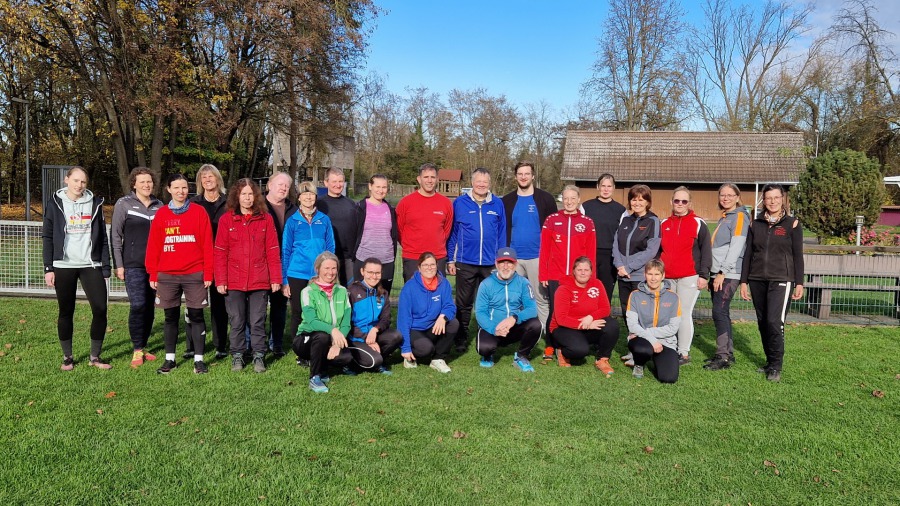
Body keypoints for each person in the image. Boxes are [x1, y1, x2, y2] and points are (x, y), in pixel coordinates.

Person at [42, 166, 112, 371]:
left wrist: (105, 266)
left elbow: (103, 237)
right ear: (66, 180)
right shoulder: (54, 203)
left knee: (100, 309)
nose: (79, 185)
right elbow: (47, 236)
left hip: (91, 264)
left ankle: (95, 357)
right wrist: (48, 268)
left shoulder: (95, 203)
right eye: (76, 180)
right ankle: (68, 357)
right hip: (63, 265)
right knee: (66, 311)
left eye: (83, 182)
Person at [145, 174, 214, 374]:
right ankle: (170, 359)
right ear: (169, 189)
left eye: (184, 187)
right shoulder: (162, 214)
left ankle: (199, 360)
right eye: (176, 188)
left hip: (195, 273)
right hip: (167, 275)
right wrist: (153, 273)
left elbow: (207, 244)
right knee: (170, 316)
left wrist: (208, 272)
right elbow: (154, 246)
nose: (181, 191)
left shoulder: (199, 212)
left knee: (196, 315)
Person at [214, 179, 282, 373]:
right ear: (236, 196)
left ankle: (258, 355)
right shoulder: (226, 220)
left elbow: (272, 250)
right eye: (243, 194)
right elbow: (220, 252)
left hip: (259, 279)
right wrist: (221, 280)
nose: (247, 198)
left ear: (256, 196)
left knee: (257, 320)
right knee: (236, 320)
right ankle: (238, 355)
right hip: (234, 279)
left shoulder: (265, 219)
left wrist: (275, 278)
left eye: (250, 194)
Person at [740, 183, 804, 383]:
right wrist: (744, 281)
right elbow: (748, 253)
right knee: (763, 322)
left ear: (782, 199)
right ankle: (769, 361)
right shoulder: (755, 224)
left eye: (776, 197)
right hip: (757, 279)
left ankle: (776, 365)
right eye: (769, 198)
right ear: (764, 200)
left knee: (774, 322)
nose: (772, 201)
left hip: (782, 279)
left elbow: (798, 255)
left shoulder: (792, 224)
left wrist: (799, 283)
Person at [446, 167, 507, 353]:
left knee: (489, 303)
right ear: (472, 183)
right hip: (465, 262)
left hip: (490, 263)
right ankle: (461, 338)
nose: (481, 185)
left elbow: (502, 233)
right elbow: (453, 233)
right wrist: (450, 260)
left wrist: (501, 259)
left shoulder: (497, 203)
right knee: (464, 304)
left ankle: (486, 335)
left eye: (485, 182)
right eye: (478, 181)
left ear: (489, 184)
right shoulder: (460, 203)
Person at [111, 167, 163, 368]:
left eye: (149, 181)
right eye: (142, 182)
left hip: (156, 266)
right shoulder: (124, 204)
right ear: (134, 184)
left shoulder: (160, 205)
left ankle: (144, 345)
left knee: (150, 306)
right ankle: (137, 348)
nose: (146, 185)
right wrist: (119, 264)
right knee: (138, 305)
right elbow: (116, 236)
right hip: (133, 265)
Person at [539, 185, 596, 359]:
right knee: (554, 312)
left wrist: (591, 277)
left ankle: (567, 345)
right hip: (555, 275)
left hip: (578, 277)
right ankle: (550, 346)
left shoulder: (587, 222)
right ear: (561, 199)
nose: (569, 202)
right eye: (566, 198)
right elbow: (544, 249)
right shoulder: (551, 220)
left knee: (573, 311)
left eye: (573, 198)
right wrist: (543, 274)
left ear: (579, 200)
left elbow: (591, 252)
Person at [501, 161, 556, 332]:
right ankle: (516, 332)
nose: (523, 177)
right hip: (514, 259)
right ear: (515, 176)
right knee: (514, 298)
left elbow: (554, 229)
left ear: (533, 176)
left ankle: (546, 333)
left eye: (527, 174)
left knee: (541, 298)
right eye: (520, 174)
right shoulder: (507, 201)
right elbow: (503, 228)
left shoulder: (546, 199)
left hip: (537, 257)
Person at [659, 186, 711, 365]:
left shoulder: (698, 223)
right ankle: (668, 347)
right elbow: (657, 250)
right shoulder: (664, 223)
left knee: (683, 313)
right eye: (677, 200)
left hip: (689, 276)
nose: (680, 204)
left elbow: (706, 250)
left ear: (690, 203)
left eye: (684, 201)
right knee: (668, 313)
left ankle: (683, 352)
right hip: (667, 277)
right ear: (671, 202)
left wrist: (704, 275)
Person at [282, 181, 335, 343]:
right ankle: (299, 345)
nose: (308, 197)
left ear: (315, 197)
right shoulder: (292, 221)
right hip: (297, 273)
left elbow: (330, 247)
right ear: (299, 198)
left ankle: (317, 343)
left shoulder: (324, 220)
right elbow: (285, 250)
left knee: (319, 311)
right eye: (304, 194)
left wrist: (328, 270)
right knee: (298, 311)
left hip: (319, 274)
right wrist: (285, 280)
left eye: (311, 194)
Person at [548, 256, 620, 374]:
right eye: (579, 270)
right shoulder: (563, 289)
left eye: (586, 270)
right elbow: (561, 319)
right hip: (564, 328)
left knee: (612, 325)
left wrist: (590, 317)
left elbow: (605, 309)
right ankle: (562, 352)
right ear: (574, 271)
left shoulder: (597, 284)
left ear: (591, 272)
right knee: (580, 351)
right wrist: (585, 324)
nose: (583, 273)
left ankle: (602, 359)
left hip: (588, 323)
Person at [704, 183, 749, 371]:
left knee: (719, 312)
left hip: (728, 273)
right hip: (719, 272)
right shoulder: (726, 217)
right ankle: (727, 353)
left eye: (730, 195)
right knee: (722, 313)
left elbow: (737, 246)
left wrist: (722, 273)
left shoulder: (739, 217)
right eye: (723, 195)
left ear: (737, 197)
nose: (726, 198)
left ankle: (722, 356)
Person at [473, 247, 541, 372]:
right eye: (502, 262)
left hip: (514, 327)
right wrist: (494, 329)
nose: (505, 266)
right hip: (493, 327)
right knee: (484, 348)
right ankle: (488, 355)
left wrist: (514, 318)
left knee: (536, 325)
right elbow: (480, 312)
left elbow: (532, 309)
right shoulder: (486, 284)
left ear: (515, 265)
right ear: (496, 264)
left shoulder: (523, 283)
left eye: (509, 262)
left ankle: (521, 356)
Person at [293, 252, 353, 393]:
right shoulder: (307, 291)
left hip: (332, 339)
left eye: (333, 268)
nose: (330, 272)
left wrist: (337, 344)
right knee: (322, 336)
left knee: (346, 358)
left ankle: (323, 366)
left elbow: (346, 323)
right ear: (318, 269)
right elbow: (312, 322)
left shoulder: (343, 291)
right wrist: (333, 330)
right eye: (326, 268)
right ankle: (315, 377)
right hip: (306, 339)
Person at [188, 164, 228, 359]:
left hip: (222, 259)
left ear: (218, 179)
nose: (208, 180)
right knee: (194, 304)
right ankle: (191, 346)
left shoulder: (229, 202)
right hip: (198, 259)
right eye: (204, 177)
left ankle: (220, 345)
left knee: (220, 305)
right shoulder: (193, 204)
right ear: (200, 182)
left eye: (211, 176)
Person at [397, 252, 459, 374]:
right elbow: (403, 319)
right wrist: (405, 348)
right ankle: (410, 356)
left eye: (432, 264)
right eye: (425, 265)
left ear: (437, 265)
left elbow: (450, 306)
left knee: (453, 323)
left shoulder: (444, 283)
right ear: (419, 268)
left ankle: (438, 358)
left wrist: (443, 317)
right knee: (426, 349)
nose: (429, 268)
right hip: (415, 329)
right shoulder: (409, 287)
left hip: (432, 327)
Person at [625, 259, 682, 383]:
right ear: (644, 275)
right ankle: (639, 364)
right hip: (641, 340)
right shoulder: (635, 295)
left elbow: (673, 328)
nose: (653, 278)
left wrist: (648, 332)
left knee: (668, 378)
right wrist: (652, 340)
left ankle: (658, 360)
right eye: (650, 274)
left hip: (665, 341)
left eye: (657, 274)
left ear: (663, 275)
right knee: (642, 350)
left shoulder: (673, 297)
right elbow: (632, 325)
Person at [396, 163, 453, 281]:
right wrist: (411, 246)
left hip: (438, 257)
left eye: (433, 177)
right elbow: (399, 229)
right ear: (419, 179)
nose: (429, 180)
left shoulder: (446, 203)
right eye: (426, 177)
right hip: (413, 258)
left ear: (437, 179)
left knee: (437, 291)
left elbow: (446, 231)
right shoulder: (405, 202)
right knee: (414, 292)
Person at [346, 258, 403, 374]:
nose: (374, 276)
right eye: (370, 272)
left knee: (396, 336)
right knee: (375, 361)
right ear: (362, 272)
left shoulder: (383, 293)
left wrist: (375, 329)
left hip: (373, 335)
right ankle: (350, 363)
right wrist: (367, 338)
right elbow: (347, 322)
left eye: (377, 273)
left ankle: (375, 358)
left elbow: (386, 319)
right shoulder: (351, 291)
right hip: (356, 338)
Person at [613, 184, 661, 319]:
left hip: (639, 276)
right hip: (622, 274)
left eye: (641, 200)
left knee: (641, 312)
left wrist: (629, 268)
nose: (637, 203)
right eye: (634, 199)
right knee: (626, 310)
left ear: (647, 202)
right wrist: (619, 266)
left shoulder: (653, 221)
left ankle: (642, 334)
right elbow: (616, 244)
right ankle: (631, 333)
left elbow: (651, 251)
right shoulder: (625, 220)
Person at [263, 171, 297, 356]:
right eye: (280, 184)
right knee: (258, 306)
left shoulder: (293, 209)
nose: (283, 188)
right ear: (269, 185)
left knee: (279, 305)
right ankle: (254, 342)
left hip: (284, 263)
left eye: (287, 186)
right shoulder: (258, 206)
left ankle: (276, 342)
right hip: (261, 262)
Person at [581, 173, 627, 301]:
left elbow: (623, 236)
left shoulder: (621, 210)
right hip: (589, 254)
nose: (606, 189)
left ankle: (604, 313)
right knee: (587, 290)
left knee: (605, 292)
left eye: (609, 186)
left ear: (613, 188)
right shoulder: (586, 207)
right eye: (603, 186)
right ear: (598, 187)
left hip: (610, 257)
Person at [353, 174, 399, 294]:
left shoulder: (390, 210)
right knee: (361, 298)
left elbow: (393, 234)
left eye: (384, 187)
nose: (381, 190)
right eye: (377, 186)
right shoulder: (360, 208)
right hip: (364, 259)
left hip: (386, 261)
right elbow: (353, 233)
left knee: (382, 298)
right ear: (370, 186)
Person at [317, 168, 359, 286]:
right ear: (326, 183)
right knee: (329, 289)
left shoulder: (351, 204)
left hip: (348, 257)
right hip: (327, 256)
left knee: (350, 290)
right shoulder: (319, 204)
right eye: (334, 181)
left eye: (340, 181)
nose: (338, 185)